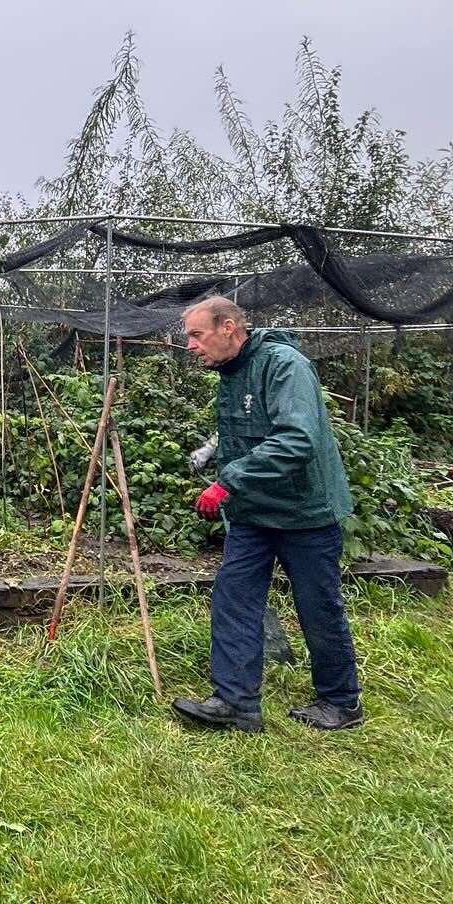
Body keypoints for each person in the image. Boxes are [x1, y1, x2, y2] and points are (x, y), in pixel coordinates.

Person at [171, 296, 362, 733]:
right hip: (254, 514)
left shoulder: (284, 364)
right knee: (234, 598)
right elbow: (249, 427)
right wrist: (215, 450)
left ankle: (341, 701)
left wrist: (229, 480)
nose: (190, 345)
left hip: (305, 513)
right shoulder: (231, 371)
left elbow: (296, 438)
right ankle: (236, 702)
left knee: (318, 606)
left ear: (229, 328)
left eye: (196, 335)